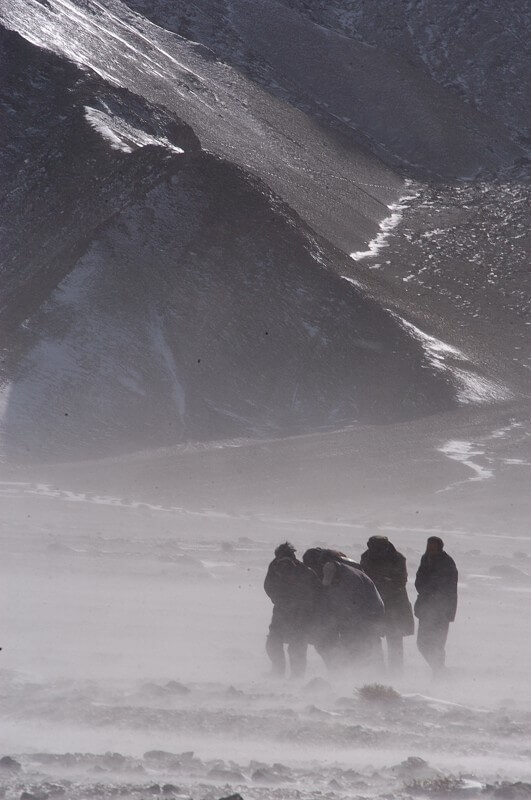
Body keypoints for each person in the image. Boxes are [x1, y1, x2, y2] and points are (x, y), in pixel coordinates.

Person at [317, 549, 385, 669]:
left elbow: (349, 605)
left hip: (368, 613)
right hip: (369, 612)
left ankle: (368, 672)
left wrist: (338, 623)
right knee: (359, 643)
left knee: (361, 643)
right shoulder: (343, 572)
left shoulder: (347, 577)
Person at [264, 542, 319, 678]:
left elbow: (315, 590)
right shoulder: (274, 567)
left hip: (300, 612)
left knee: (296, 643)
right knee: (275, 641)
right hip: (282, 610)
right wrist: (278, 599)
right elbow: (268, 586)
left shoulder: (304, 571)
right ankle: (278, 671)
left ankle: (296, 676)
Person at [360, 536, 414, 673]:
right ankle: (379, 671)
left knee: (394, 640)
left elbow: (401, 581)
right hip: (375, 604)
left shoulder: (397, 558)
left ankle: (396, 673)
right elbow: (364, 578)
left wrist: (382, 583)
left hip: (395, 605)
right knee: (374, 639)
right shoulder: (366, 557)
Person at [414, 536, 458, 675]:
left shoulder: (447, 562)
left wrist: (429, 591)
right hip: (426, 610)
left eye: (433, 546)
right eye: (429, 546)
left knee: (437, 645)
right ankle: (439, 671)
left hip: (441, 611)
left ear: (439, 547)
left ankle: (439, 673)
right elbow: (419, 581)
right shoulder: (425, 559)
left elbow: (446, 587)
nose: (430, 549)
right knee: (422, 643)